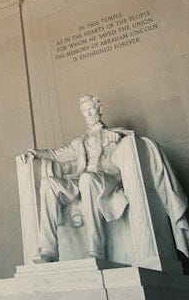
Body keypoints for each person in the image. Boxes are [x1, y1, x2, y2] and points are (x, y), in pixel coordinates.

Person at [19, 95, 133, 263]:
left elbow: (129, 137)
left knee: (87, 179)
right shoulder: (79, 142)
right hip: (81, 180)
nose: (88, 113)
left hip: (106, 179)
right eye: (84, 110)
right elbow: (57, 154)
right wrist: (35, 153)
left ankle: (96, 249)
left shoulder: (113, 133)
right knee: (48, 183)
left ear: (99, 110)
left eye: (91, 109)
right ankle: (49, 250)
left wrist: (117, 138)